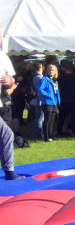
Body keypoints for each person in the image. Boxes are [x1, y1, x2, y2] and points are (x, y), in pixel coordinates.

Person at [0, 28, 24, 180]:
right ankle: (9, 172)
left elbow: (11, 78)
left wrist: (10, 80)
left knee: (6, 134)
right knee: (6, 134)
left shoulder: (2, 56)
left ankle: (9, 171)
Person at [57, 61, 75, 136]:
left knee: (62, 117)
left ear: (64, 68)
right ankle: (74, 131)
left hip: (64, 99)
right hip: (74, 98)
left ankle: (60, 131)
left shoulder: (61, 78)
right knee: (74, 117)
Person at [37, 64, 61, 142]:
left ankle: (51, 135)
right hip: (47, 102)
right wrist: (48, 95)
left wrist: (58, 100)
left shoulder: (55, 81)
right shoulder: (44, 79)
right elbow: (39, 89)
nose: (51, 72)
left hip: (54, 102)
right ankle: (46, 137)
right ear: (47, 71)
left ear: (55, 72)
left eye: (52, 70)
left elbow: (56, 91)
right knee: (47, 119)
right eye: (49, 70)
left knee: (52, 120)